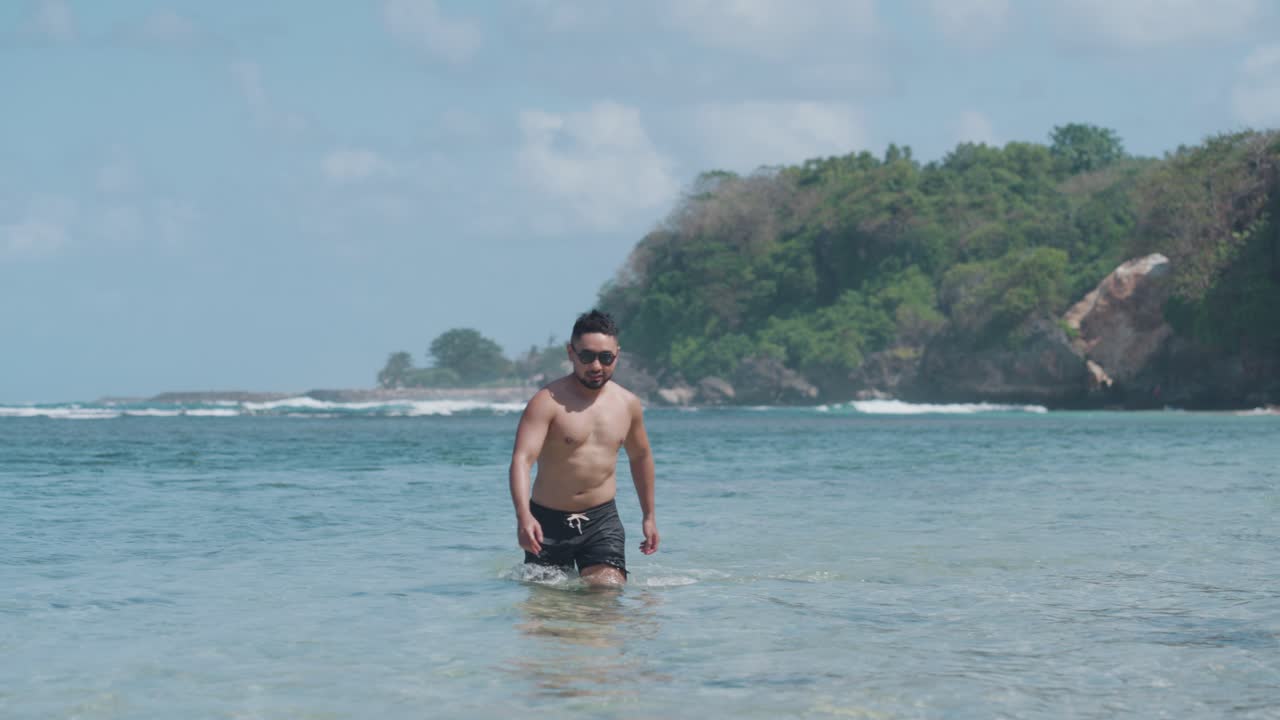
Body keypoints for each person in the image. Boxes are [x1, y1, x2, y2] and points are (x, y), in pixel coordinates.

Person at [508, 309, 659, 586]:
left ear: (617, 354)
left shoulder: (628, 405)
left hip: (601, 521)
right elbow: (522, 459)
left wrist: (648, 515)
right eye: (587, 356)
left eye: (606, 357)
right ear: (571, 352)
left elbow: (640, 457)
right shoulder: (546, 403)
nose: (596, 366)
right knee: (547, 608)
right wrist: (523, 516)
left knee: (607, 590)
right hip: (547, 522)